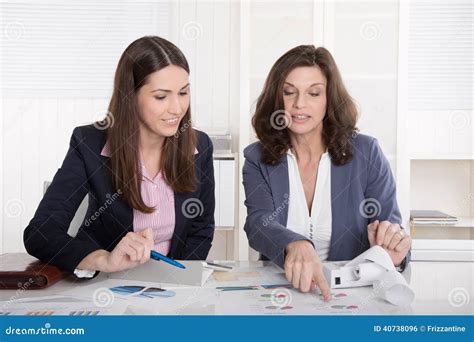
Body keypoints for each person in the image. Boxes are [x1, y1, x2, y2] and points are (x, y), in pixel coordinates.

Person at [24, 36, 215, 278]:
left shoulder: (200, 147)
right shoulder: (89, 144)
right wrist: (103, 260)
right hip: (107, 285)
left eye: (183, 93)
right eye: (161, 96)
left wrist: (179, 279)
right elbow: (41, 232)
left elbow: (201, 228)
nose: (177, 108)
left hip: (174, 286)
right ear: (130, 96)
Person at [242, 45, 411, 300]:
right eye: (289, 92)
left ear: (329, 98)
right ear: (277, 100)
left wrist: (392, 249)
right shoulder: (257, 158)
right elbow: (258, 224)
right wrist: (294, 243)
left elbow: (390, 228)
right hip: (283, 293)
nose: (300, 104)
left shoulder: (366, 153)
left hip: (353, 296)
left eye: (314, 93)